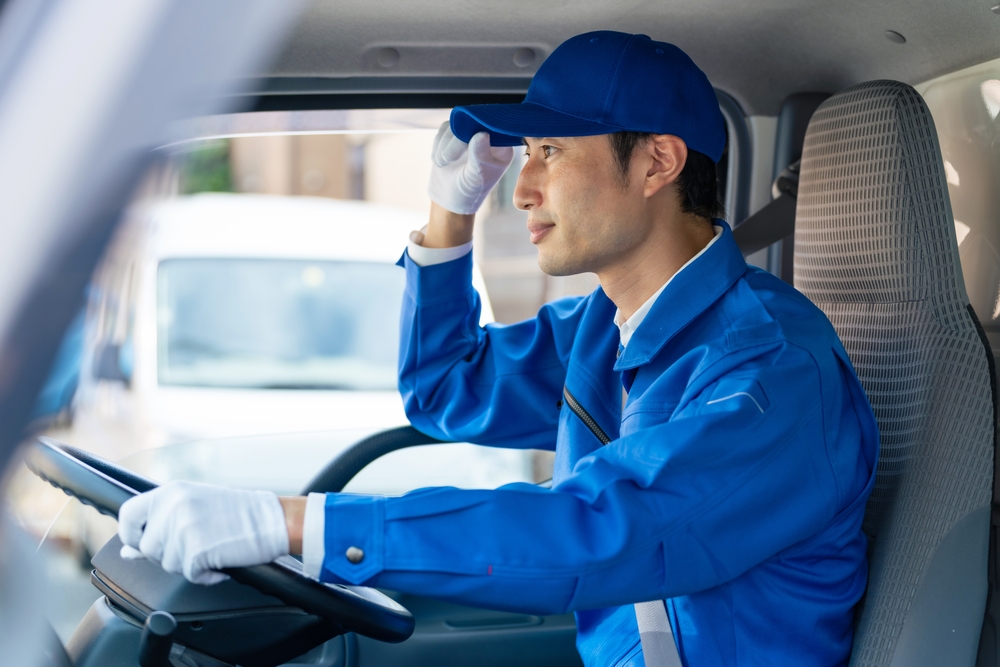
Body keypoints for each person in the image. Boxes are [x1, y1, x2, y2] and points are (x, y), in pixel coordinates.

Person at [118, 31, 879, 667]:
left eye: (549, 149)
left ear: (657, 162)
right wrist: (448, 219)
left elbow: (604, 528)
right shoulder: (605, 322)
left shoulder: (772, 373)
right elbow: (447, 389)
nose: (520, 190)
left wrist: (293, 523)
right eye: (523, 156)